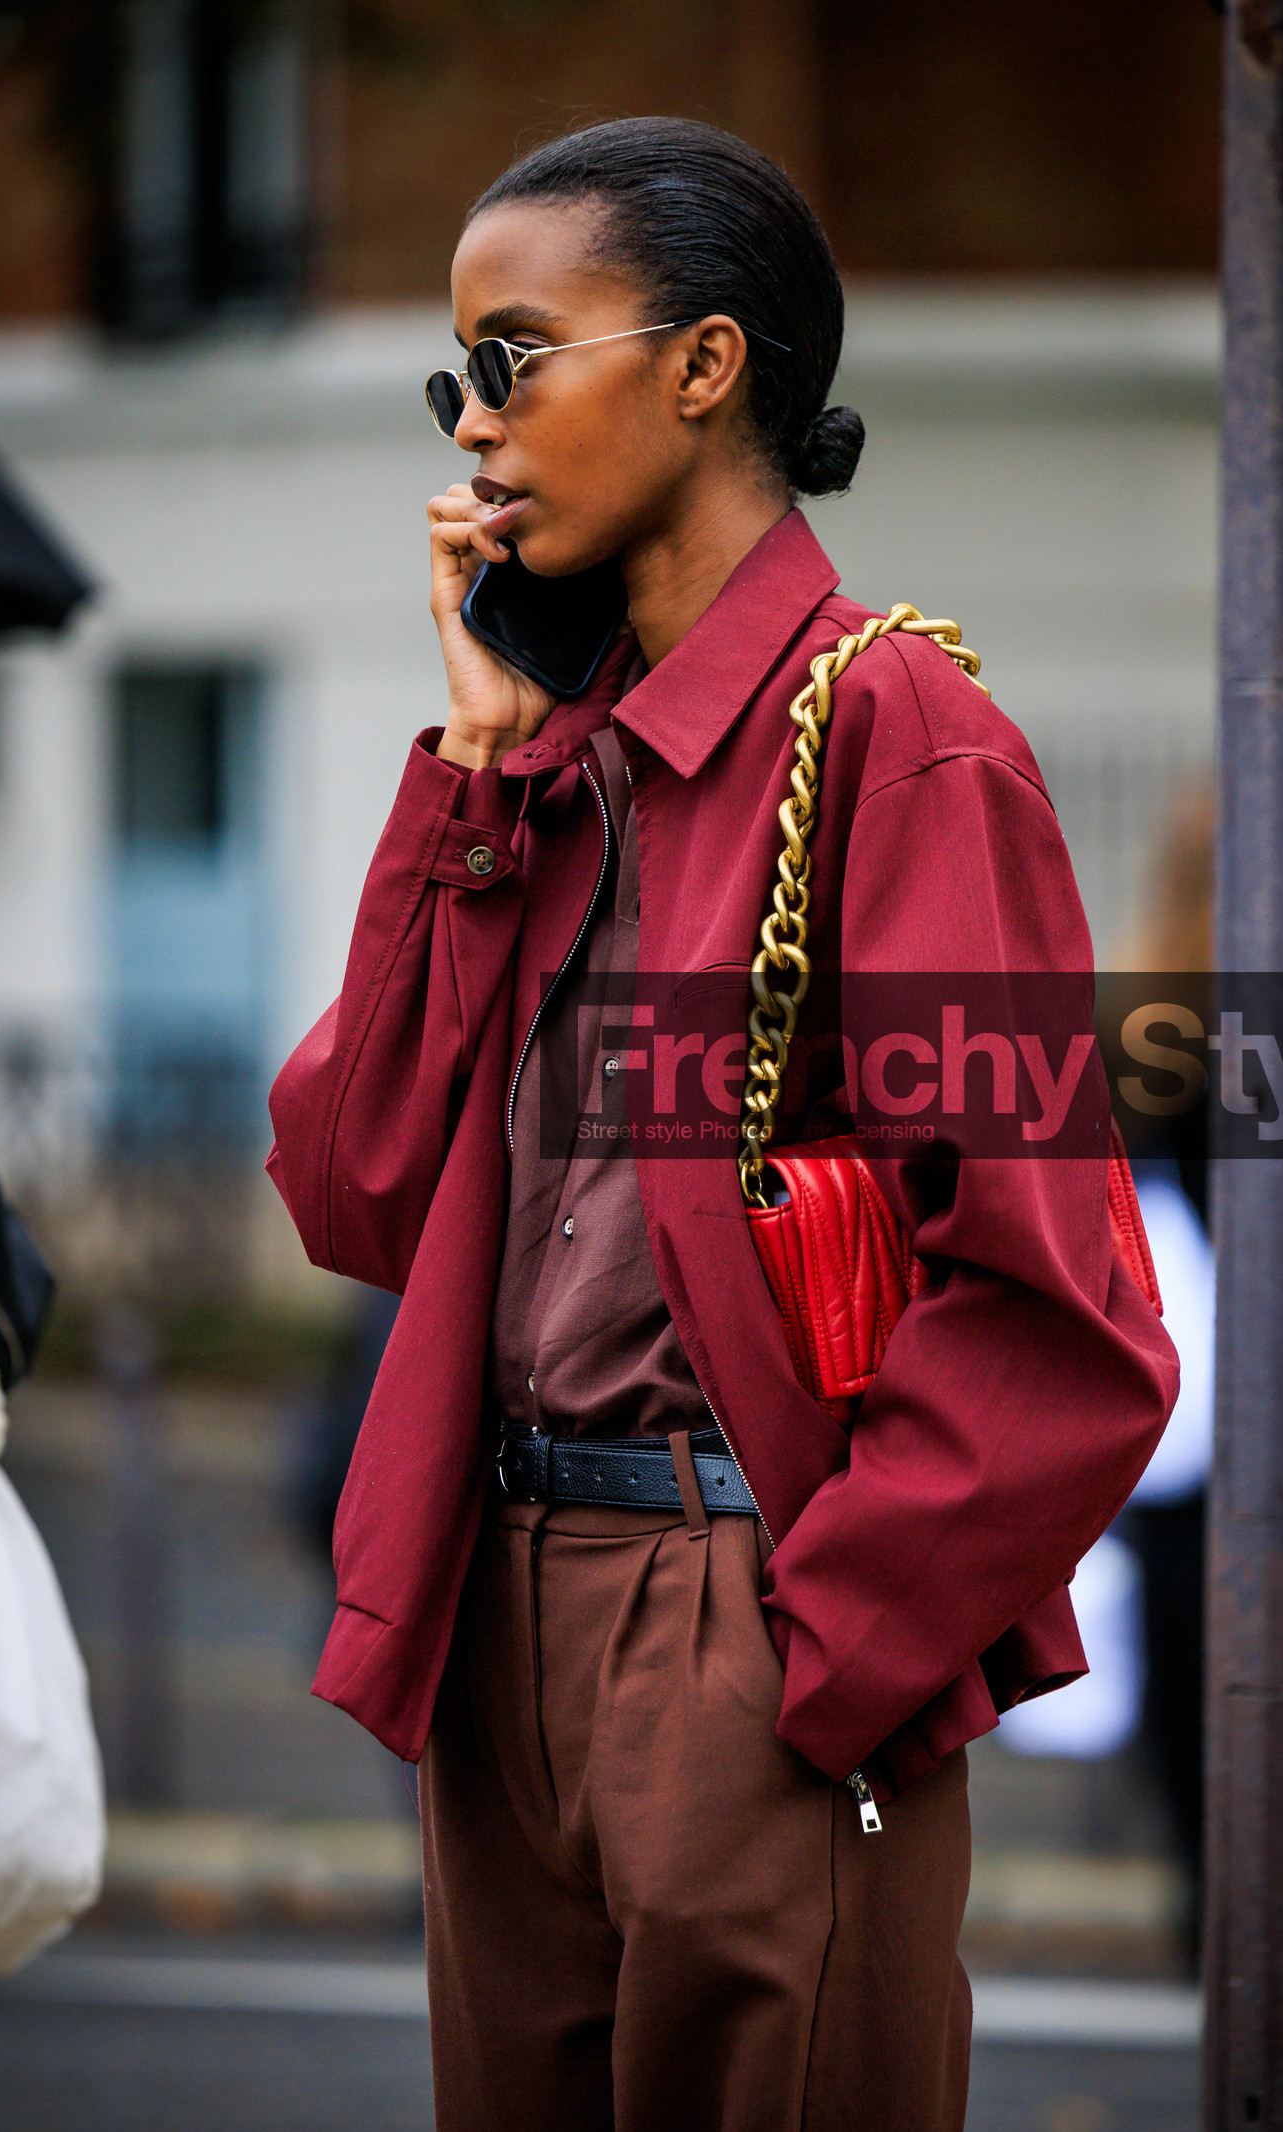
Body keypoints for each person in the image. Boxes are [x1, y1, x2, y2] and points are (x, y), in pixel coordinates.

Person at [267, 117, 1178, 2132]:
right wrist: (468, 782)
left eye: (514, 355)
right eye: (456, 380)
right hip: (494, 1607)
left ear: (703, 367)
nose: (473, 430)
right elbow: (351, 1187)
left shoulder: (898, 738)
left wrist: (821, 1655)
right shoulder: (553, 764)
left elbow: (1060, 1307)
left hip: (741, 1615)